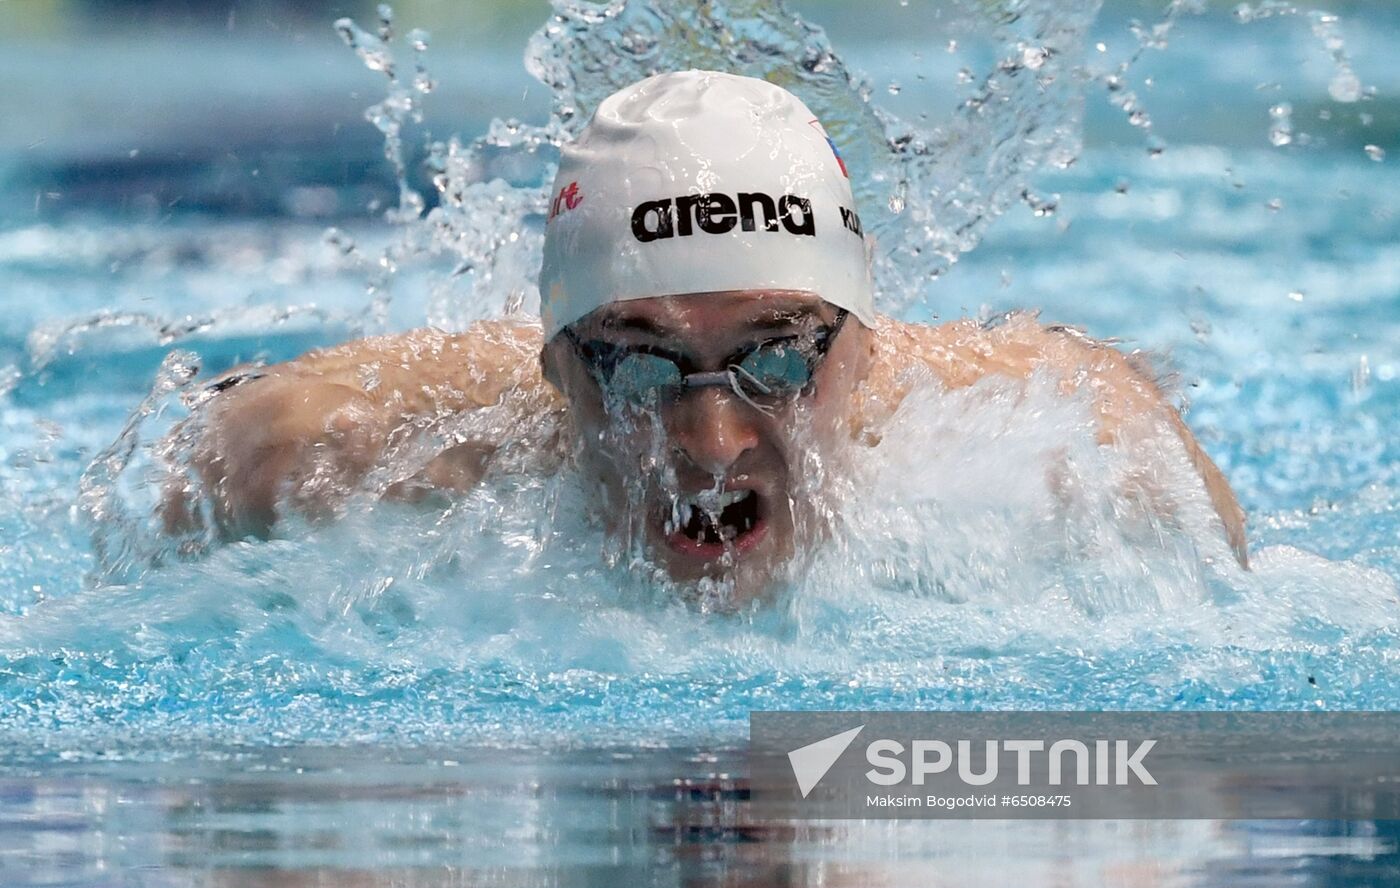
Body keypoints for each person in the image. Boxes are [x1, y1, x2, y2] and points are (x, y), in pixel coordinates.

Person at [167, 70, 1248, 601]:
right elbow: (221, 453)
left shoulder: (1051, 432)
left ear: (865, 352)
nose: (712, 437)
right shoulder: (387, 448)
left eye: (777, 356)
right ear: (556, 370)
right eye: (639, 363)